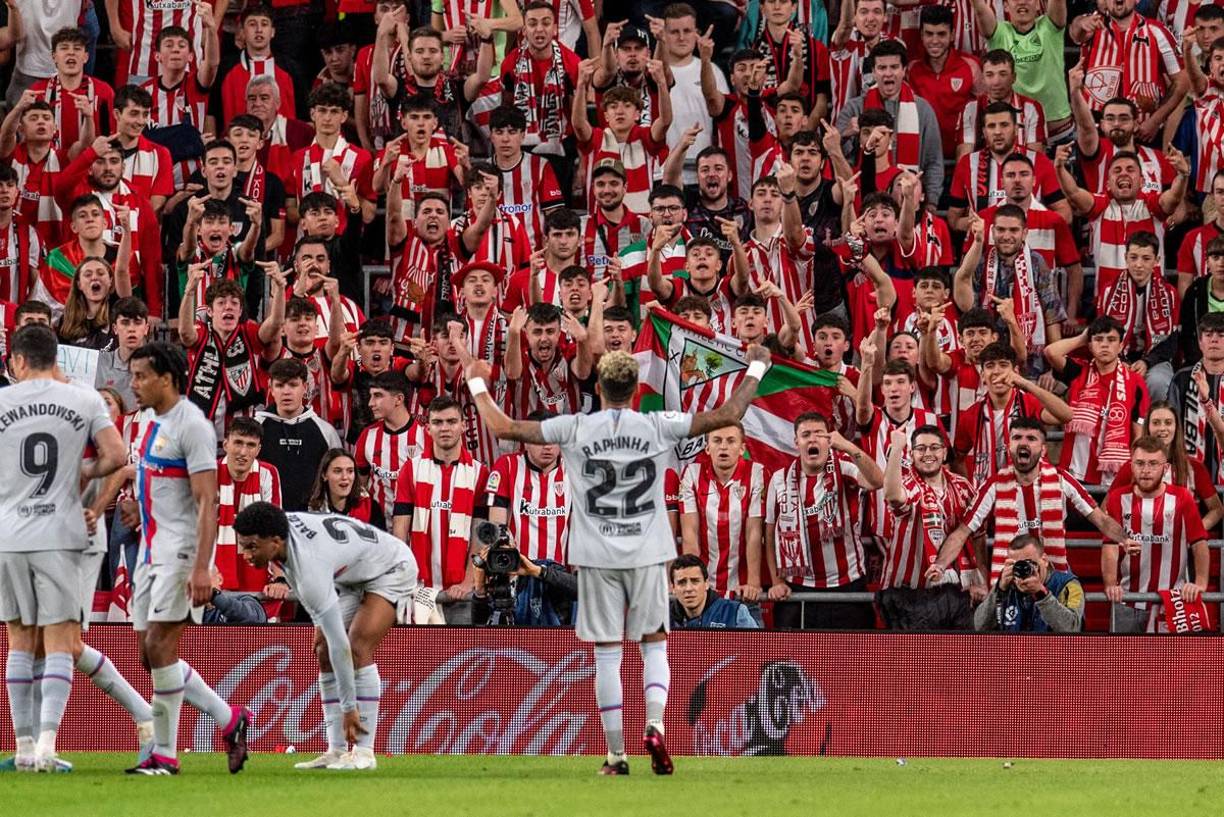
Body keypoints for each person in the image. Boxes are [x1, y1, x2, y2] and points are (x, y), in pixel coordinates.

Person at [463, 344, 774, 775]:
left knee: (608, 656)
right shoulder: (656, 424)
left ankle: (616, 754)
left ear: (599, 386)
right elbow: (727, 414)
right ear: (634, 390)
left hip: (595, 555)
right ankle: (654, 723)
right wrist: (757, 365)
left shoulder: (574, 427)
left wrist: (474, 377)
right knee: (654, 647)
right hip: (648, 551)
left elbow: (501, 425)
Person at [0, 325, 125, 771]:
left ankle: (23, 749)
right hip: (60, 532)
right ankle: (50, 746)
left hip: (9, 533)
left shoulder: (2, 400)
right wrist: (85, 469)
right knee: (58, 640)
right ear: (56, 357)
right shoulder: (84, 398)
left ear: (17, 360)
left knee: (19, 640)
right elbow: (117, 455)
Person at [122, 341, 248, 775]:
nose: (133, 385)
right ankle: (229, 718)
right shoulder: (152, 421)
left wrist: (200, 565)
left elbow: (207, 500)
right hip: (149, 550)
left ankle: (165, 755)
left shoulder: (192, 425)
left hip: (178, 553)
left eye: (141, 376)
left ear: (168, 379)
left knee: (160, 645)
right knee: (148, 653)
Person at [235, 504, 418, 771]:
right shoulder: (277, 528)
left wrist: (349, 708)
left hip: (391, 567)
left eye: (251, 546)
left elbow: (340, 646)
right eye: (243, 545)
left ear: (275, 542)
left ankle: (365, 752)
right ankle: (336, 750)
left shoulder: (309, 567)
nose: (245, 554)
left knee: (356, 647)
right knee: (322, 649)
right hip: (349, 572)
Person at [928, 418, 1140, 585]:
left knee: (1073, 620)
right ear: (1009, 445)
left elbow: (1100, 519)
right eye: (1017, 437)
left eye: (1031, 438)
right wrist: (939, 565)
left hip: (1054, 574)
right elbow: (962, 532)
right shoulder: (993, 485)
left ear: (1044, 449)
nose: (1023, 443)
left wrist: (1124, 539)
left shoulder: (1061, 479)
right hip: (1011, 576)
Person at [766, 411, 885, 630]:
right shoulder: (779, 479)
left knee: (851, 658)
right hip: (799, 587)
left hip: (847, 584)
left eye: (819, 434)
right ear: (797, 442)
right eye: (806, 434)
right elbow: (769, 533)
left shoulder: (845, 466)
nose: (812, 439)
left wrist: (849, 447)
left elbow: (877, 481)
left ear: (829, 440)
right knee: (799, 659)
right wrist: (776, 581)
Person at [1102, 436, 1210, 632]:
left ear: (1165, 468)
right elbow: (1109, 546)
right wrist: (1110, 584)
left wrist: (1200, 583)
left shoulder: (1182, 498)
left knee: (1172, 662)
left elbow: (1199, 543)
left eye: (1153, 464)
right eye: (1140, 463)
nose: (1145, 470)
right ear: (1131, 465)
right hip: (1128, 599)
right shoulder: (1118, 498)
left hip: (1174, 601)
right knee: (1123, 661)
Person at [878, 425, 978, 630]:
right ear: (912, 454)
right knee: (913, 660)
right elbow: (892, 496)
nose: (928, 454)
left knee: (958, 657)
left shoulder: (963, 487)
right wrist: (897, 448)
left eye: (934, 448)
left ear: (944, 452)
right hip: (909, 592)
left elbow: (978, 536)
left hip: (956, 591)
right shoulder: (907, 485)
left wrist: (981, 577)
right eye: (921, 448)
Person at [392, 396, 490, 599]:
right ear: (428, 428)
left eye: (452, 422)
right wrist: (405, 578)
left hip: (462, 590)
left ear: (463, 426)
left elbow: (480, 534)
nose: (444, 428)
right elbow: (400, 530)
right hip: (418, 587)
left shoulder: (480, 473)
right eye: (437, 422)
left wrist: (467, 581)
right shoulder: (410, 469)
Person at [835, 39, 944, 205]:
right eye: (881, 68)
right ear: (873, 71)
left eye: (894, 67)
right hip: (863, 201)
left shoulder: (923, 110)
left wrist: (931, 203)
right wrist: (845, 135)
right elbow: (838, 160)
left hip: (908, 202)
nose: (888, 73)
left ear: (904, 70)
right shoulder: (853, 108)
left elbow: (933, 162)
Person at [1045, 316, 1150, 486]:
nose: (1105, 344)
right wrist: (1082, 338)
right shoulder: (1079, 371)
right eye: (1098, 339)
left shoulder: (1135, 382)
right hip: (1075, 470)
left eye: (1111, 340)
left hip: (1114, 476)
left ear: (1121, 346)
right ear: (1090, 345)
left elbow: (1138, 433)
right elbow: (1051, 352)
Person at [679, 421, 766, 604]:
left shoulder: (756, 473)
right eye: (717, 440)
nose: (723, 446)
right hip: (704, 591)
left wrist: (753, 582)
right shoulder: (692, 474)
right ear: (707, 448)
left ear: (742, 448)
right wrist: (695, 583)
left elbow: (754, 533)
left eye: (731, 441)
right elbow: (690, 535)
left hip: (743, 590)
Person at [1110, 401, 1224, 531]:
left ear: (1177, 427)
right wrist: (1124, 537)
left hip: (1182, 550)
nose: (1162, 428)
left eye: (1168, 422)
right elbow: (1107, 509)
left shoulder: (1194, 467)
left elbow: (1216, 509)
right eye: (1156, 423)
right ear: (1148, 427)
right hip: (1138, 548)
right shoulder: (1131, 466)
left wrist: (1193, 533)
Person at [256, 358, 343, 511]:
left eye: (293, 385)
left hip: (312, 520)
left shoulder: (326, 431)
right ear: (270, 388)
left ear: (305, 387)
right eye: (280, 385)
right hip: (266, 518)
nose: (286, 391)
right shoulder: (256, 428)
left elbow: (338, 478)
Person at [487, 409, 569, 566]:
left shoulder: (573, 470)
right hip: (518, 571)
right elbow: (496, 523)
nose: (547, 447)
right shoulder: (507, 466)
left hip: (559, 574)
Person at [214, 417, 283, 601]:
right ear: (226, 444)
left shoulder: (268, 474)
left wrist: (280, 577)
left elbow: (276, 530)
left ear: (258, 449)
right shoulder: (208, 473)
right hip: (214, 574)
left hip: (256, 573)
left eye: (251, 445)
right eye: (238, 443)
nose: (243, 452)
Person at [972, 533, 1085, 632]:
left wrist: (1041, 594)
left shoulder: (1067, 585)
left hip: (1052, 653)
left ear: (1044, 561)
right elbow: (980, 627)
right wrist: (999, 591)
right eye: (1017, 565)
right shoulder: (1007, 586)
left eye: (1029, 563)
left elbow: (1072, 629)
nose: (1024, 569)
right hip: (1013, 653)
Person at [669, 555, 760, 629]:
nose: (688, 588)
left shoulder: (735, 612)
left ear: (706, 584)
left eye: (695, 581)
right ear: (673, 588)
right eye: (681, 582)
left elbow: (756, 649)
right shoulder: (664, 618)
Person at [308, 449, 385, 528]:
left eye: (350, 471)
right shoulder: (308, 509)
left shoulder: (371, 508)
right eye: (337, 471)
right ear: (324, 475)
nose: (345, 477)